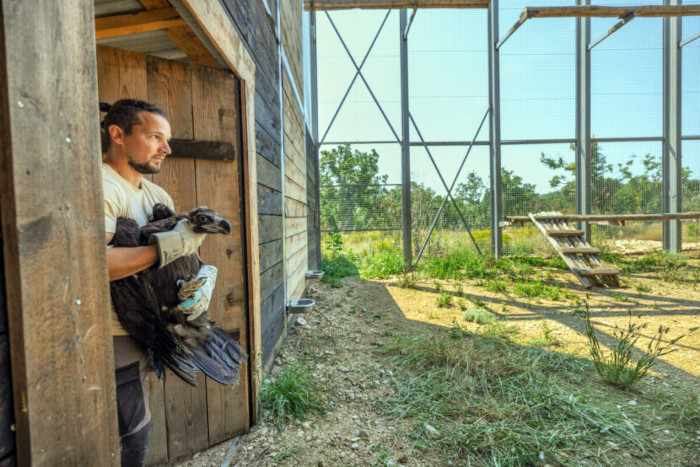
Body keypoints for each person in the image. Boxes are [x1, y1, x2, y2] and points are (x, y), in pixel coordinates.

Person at [101, 99, 217, 466]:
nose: (167, 148)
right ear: (117, 134)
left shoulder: (157, 196)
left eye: (167, 139)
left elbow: (181, 256)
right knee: (129, 442)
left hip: (151, 329)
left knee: (137, 434)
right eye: (155, 137)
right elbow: (93, 265)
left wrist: (203, 278)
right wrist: (161, 252)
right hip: (114, 337)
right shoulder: (100, 184)